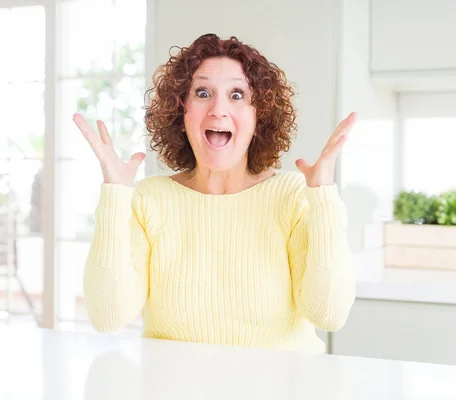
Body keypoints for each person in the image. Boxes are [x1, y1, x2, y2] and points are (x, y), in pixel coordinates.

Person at [73, 33, 356, 353]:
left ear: (257, 116)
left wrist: (323, 199)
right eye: (203, 92)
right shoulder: (148, 200)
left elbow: (329, 315)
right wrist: (114, 196)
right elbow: (107, 316)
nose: (219, 109)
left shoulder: (291, 197)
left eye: (237, 95)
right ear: (181, 113)